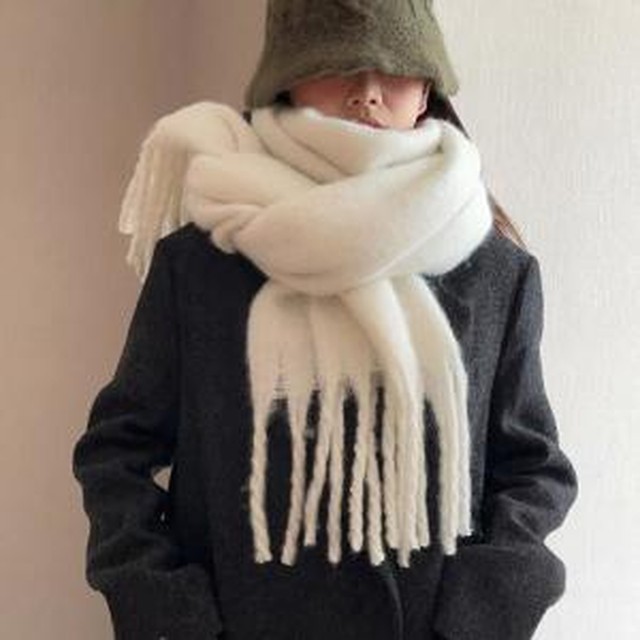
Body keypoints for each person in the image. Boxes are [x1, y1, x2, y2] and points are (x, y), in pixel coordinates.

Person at [71, 2, 578, 639]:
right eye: (336, 63)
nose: (367, 93)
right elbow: (116, 452)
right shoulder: (201, 267)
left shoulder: (497, 273)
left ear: (427, 88)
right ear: (286, 79)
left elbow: (533, 469)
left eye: (396, 67)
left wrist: (477, 621)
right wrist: (174, 616)